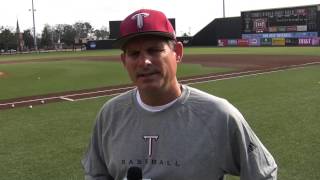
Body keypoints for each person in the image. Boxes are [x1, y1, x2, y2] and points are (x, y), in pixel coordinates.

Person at [82, 9, 277, 180]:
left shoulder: (219, 115)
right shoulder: (110, 114)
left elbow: (263, 173)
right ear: (124, 61)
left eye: (154, 50)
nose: (144, 62)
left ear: (177, 53)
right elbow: (96, 174)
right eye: (134, 54)